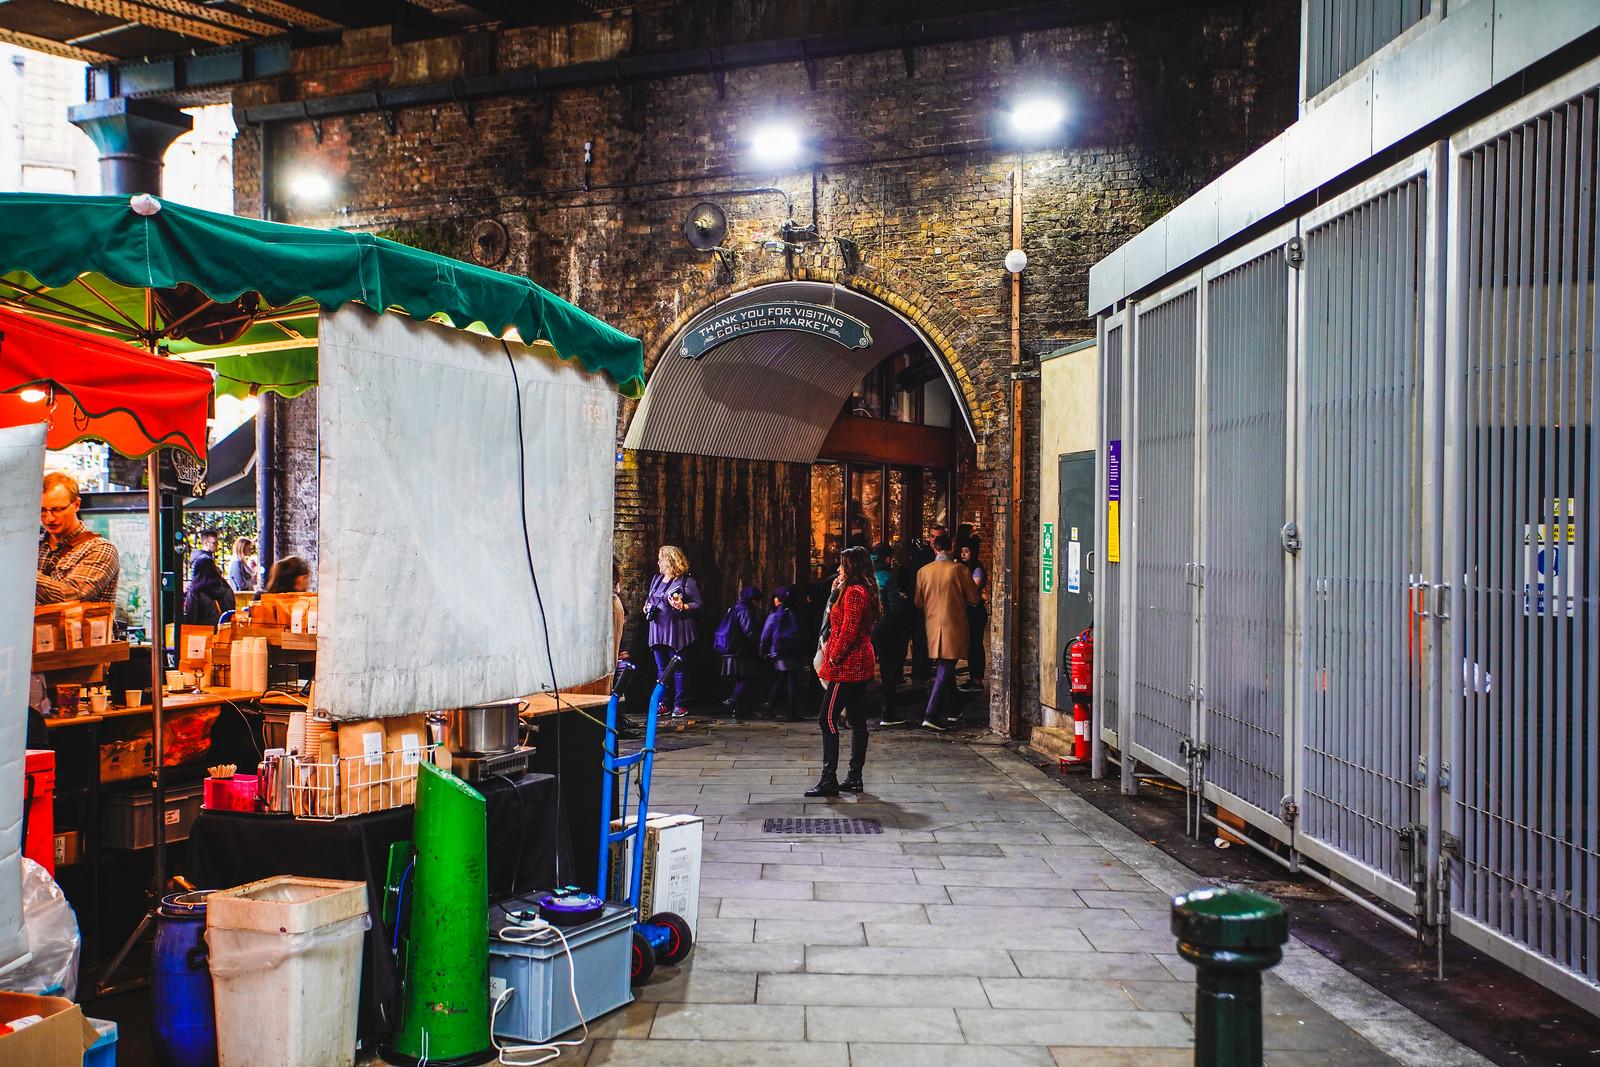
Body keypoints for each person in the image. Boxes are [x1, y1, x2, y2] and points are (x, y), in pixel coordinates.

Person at [806, 546, 879, 798]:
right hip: (856, 662)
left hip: (848, 664)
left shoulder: (855, 593)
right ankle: (854, 778)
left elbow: (848, 631)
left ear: (852, 566)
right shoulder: (851, 589)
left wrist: (833, 659)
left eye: (842, 565)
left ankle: (829, 779)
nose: (838, 569)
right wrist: (836, 589)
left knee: (826, 718)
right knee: (857, 719)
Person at [914, 531, 980, 731]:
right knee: (945, 667)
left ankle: (953, 709)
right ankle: (931, 713)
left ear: (935, 549)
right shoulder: (959, 570)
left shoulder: (923, 571)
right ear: (950, 549)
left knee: (946, 667)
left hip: (932, 625)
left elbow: (918, 601)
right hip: (954, 624)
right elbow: (974, 599)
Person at [37, 471, 120, 604]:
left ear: (76, 504)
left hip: (74, 625)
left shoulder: (99, 549)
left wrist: (21, 573)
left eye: (58, 509)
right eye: (42, 510)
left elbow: (71, 596)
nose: (49, 518)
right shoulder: (32, 546)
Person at [644, 545, 701, 719]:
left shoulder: (686, 582)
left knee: (678, 669)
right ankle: (664, 704)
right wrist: (646, 607)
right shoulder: (656, 579)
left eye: (662, 558)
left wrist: (683, 606)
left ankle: (680, 704)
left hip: (677, 631)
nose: (659, 562)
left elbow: (698, 603)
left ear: (671, 559)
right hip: (657, 630)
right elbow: (649, 599)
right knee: (661, 669)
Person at [871, 542, 912, 726]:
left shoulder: (866, 576)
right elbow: (895, 607)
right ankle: (888, 712)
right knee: (888, 670)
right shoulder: (887, 578)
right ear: (886, 558)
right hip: (885, 626)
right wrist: (901, 599)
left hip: (867, 627)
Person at [760, 585, 809, 721]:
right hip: (794, 650)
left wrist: (762, 650)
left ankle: (769, 706)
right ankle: (791, 710)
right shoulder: (797, 613)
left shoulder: (775, 615)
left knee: (782, 678)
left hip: (780, 651)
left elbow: (765, 635)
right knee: (791, 679)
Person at [905, 523, 945, 684]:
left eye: (938, 537)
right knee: (921, 643)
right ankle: (919, 677)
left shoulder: (945, 557)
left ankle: (924, 676)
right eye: (932, 536)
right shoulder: (921, 556)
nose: (934, 540)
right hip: (921, 607)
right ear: (929, 538)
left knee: (929, 644)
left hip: (936, 607)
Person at [717, 586, 763, 719]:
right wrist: (759, 643)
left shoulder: (735, 608)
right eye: (756, 600)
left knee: (740, 679)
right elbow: (749, 631)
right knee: (746, 677)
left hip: (732, 649)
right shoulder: (745, 610)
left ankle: (738, 709)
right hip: (741, 650)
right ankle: (734, 699)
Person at [184, 528, 236, 626]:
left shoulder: (195, 591)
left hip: (201, 624)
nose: (217, 545)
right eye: (214, 543)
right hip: (214, 619)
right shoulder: (205, 560)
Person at [958, 540, 988, 691]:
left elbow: (972, 590)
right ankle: (973, 677)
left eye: (967, 551)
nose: (963, 554)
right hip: (968, 611)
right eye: (962, 551)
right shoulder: (964, 568)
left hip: (976, 612)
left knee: (976, 644)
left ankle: (977, 679)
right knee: (971, 645)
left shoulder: (976, 569)